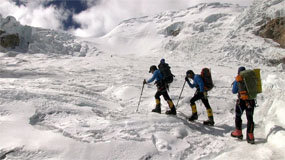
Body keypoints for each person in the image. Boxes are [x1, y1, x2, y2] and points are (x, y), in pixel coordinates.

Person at [231, 67, 256, 144]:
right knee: (250, 118)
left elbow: (234, 91)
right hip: (251, 101)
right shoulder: (250, 78)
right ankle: (250, 136)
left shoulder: (238, 78)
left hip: (241, 101)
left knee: (238, 116)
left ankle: (238, 132)